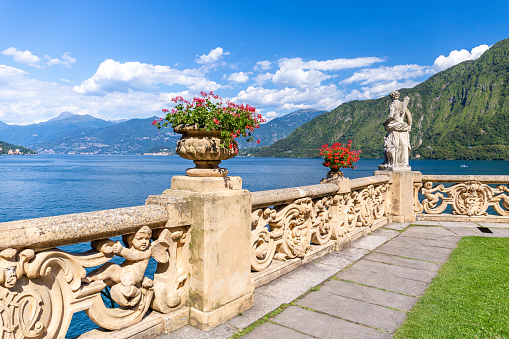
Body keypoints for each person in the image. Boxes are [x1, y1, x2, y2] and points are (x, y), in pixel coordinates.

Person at [379, 90, 412, 170]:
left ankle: (391, 162)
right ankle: (403, 164)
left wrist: (385, 123)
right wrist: (409, 126)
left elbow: (390, 116)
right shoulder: (403, 104)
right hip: (403, 128)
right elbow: (409, 117)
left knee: (391, 146)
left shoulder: (392, 105)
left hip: (394, 128)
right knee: (403, 146)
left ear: (391, 97)